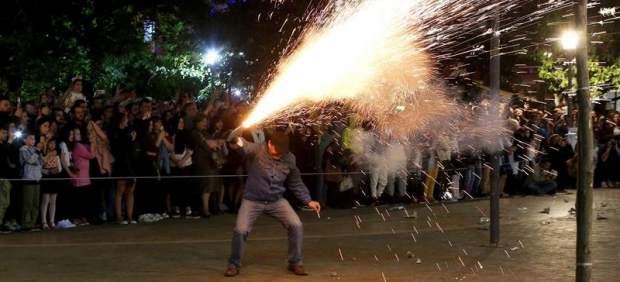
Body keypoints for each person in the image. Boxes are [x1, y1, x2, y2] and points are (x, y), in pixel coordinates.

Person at [224, 130, 321, 277]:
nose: (279, 154)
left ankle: (295, 262)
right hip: (252, 200)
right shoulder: (257, 150)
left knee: (296, 225)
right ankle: (234, 264)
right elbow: (240, 144)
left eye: (283, 151)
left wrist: (308, 200)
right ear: (269, 143)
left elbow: (295, 182)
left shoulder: (289, 158)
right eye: (277, 150)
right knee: (240, 230)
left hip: (276, 200)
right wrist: (234, 138)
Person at [19, 132, 43, 230]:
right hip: (28, 178)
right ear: (25, 140)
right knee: (28, 203)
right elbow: (30, 161)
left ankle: (33, 223)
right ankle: (26, 224)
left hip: (37, 178)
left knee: (35, 203)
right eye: (30, 138)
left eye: (34, 138)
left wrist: (38, 155)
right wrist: (37, 154)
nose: (33, 140)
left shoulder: (35, 150)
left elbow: (41, 162)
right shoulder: (23, 149)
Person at [41, 139, 62, 230]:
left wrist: (57, 170)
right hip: (47, 177)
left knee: (53, 201)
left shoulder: (57, 156)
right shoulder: (44, 155)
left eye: (54, 143)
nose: (52, 145)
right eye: (50, 143)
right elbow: (40, 167)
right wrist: (48, 171)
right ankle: (43, 222)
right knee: (45, 200)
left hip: (55, 177)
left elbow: (60, 168)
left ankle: (52, 221)